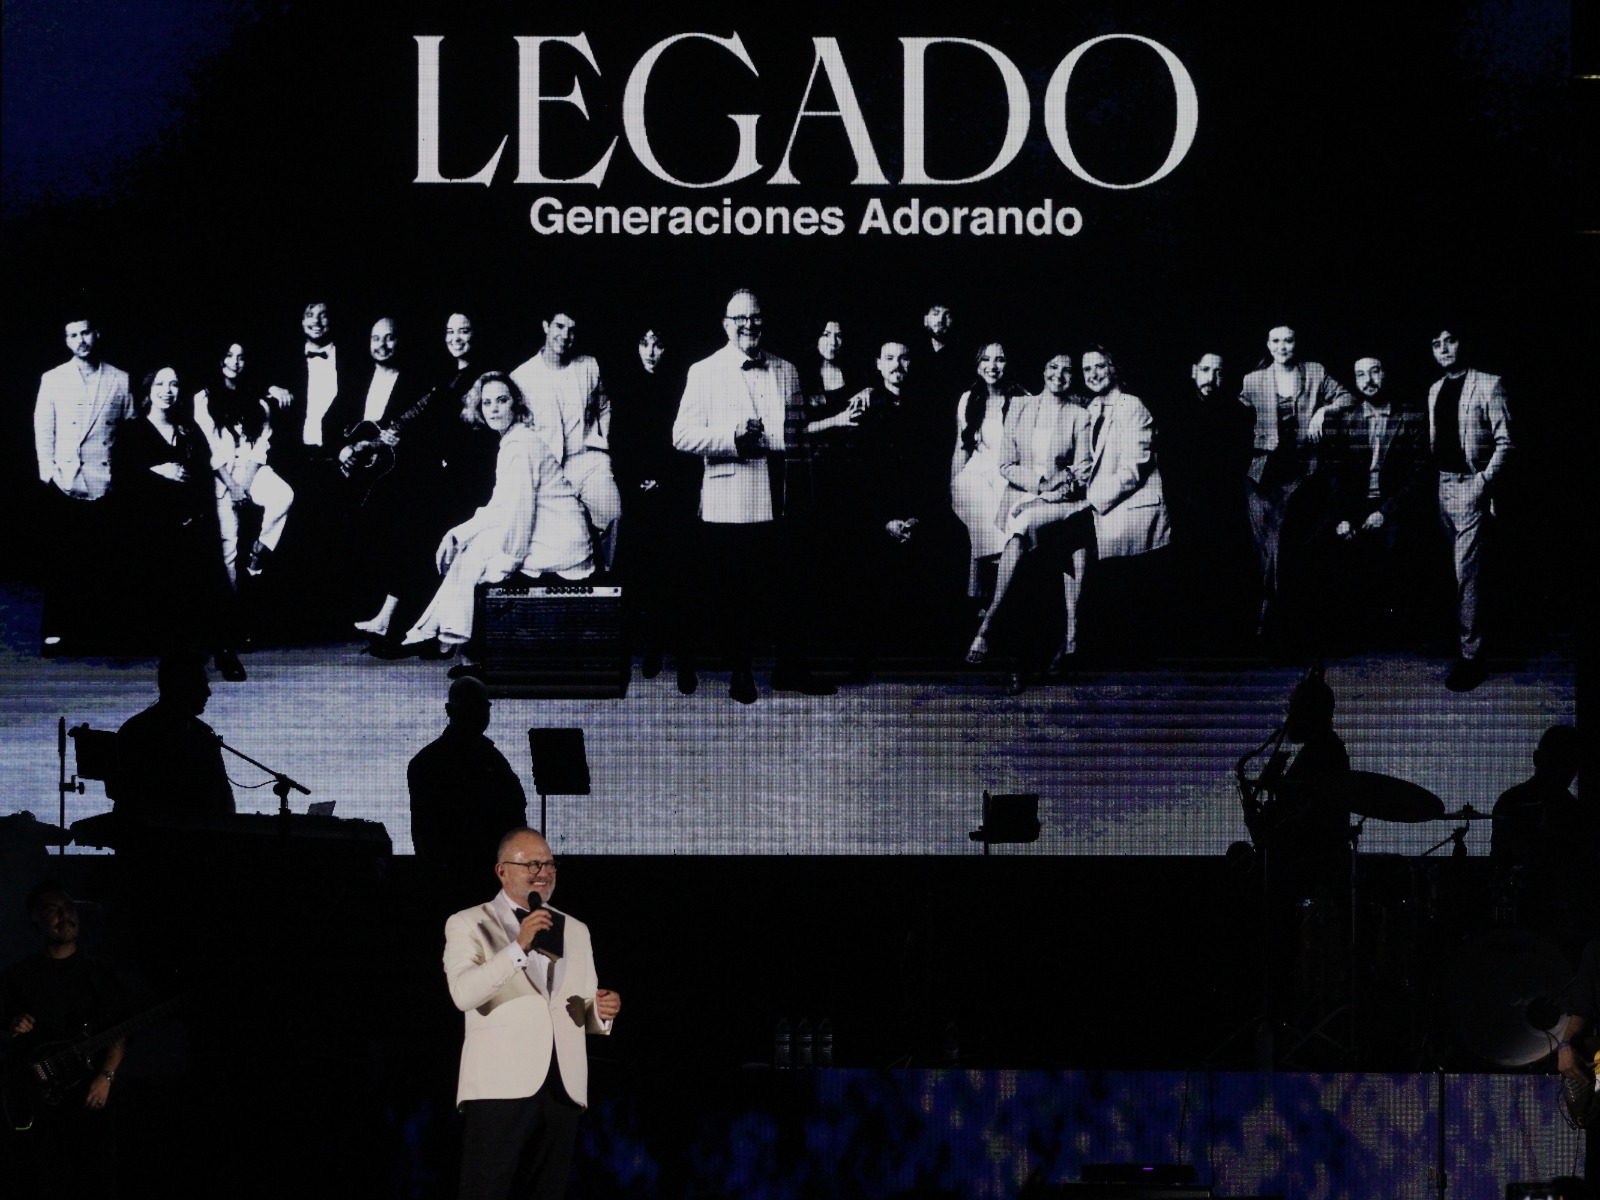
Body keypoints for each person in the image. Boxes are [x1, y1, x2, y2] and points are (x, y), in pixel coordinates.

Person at [671, 289, 834, 703]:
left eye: (755, 317)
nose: (749, 325)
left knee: (792, 584)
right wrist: (732, 439)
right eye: (740, 318)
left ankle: (790, 669)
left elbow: (795, 435)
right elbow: (681, 436)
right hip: (732, 495)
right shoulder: (703, 371)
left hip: (784, 493)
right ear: (726, 324)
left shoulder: (788, 370)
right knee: (738, 591)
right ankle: (740, 673)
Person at [444, 827, 620, 1200]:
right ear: (502, 871)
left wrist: (600, 1012)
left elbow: (577, 1009)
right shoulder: (469, 922)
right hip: (500, 1086)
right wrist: (518, 946)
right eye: (532, 864)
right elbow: (463, 994)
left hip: (561, 1087)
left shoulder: (576, 930)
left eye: (549, 864)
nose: (543, 872)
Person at [398, 373, 593, 658]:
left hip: (560, 543)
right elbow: (501, 506)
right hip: (549, 533)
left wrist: (507, 562)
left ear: (516, 404)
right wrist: (456, 534)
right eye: (487, 403)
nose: (494, 409)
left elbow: (519, 514)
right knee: (470, 549)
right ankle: (445, 636)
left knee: (476, 557)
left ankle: (446, 637)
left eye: (502, 400)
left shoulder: (520, 446)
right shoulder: (514, 441)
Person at [356, 312, 500, 645]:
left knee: (424, 530)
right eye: (450, 332)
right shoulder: (445, 376)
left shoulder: (484, 377)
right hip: (445, 473)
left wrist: (440, 454)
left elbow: (476, 433)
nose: (456, 338)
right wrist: (396, 436)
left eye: (463, 331)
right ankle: (394, 619)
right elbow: (425, 420)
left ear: (475, 334)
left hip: (473, 477)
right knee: (406, 522)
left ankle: (431, 630)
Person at [966, 354, 1093, 691]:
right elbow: (1006, 464)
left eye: (1067, 370)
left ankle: (987, 629)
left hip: (1062, 503)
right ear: (1043, 370)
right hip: (1021, 496)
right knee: (1020, 532)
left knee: (1023, 530)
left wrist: (1056, 490)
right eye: (1053, 367)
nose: (1059, 375)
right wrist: (1040, 484)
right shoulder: (1020, 407)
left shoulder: (1079, 415)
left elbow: (1082, 469)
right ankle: (1014, 652)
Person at [110, 367, 244, 680]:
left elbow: (203, 474)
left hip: (190, 522)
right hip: (153, 528)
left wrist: (199, 517)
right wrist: (156, 473)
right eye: (160, 384)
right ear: (148, 389)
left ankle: (224, 650)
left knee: (211, 575)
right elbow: (122, 480)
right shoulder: (133, 431)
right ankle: (178, 653)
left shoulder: (188, 428)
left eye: (173, 384)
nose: (167, 391)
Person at [844, 341, 969, 675]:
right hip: (876, 511)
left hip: (919, 509)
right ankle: (864, 655)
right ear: (878, 364)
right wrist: (885, 520)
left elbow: (933, 467)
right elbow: (860, 473)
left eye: (904, 358)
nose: (897, 365)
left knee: (952, 540)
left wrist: (916, 517)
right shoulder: (865, 405)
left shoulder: (927, 407)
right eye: (889, 359)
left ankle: (936, 653)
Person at [1, 882, 127, 1199]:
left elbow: (119, 1029)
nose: (65, 915)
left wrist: (106, 1076)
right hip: (40, 1111)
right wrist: (12, 1026)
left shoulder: (98, 974)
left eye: (69, 908)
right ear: (36, 921)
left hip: (89, 1103)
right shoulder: (17, 976)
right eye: (53, 910)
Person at [1240, 325, 1352, 641]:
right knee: (1267, 545)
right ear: (1268, 345)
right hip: (1262, 474)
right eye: (1276, 341)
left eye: (1288, 340)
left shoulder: (1315, 372)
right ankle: (1271, 614)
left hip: (1302, 472)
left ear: (1296, 343)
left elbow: (1347, 397)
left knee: (1284, 543)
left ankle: (1273, 616)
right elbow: (1236, 417)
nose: (1282, 346)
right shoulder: (1252, 380)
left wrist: (1324, 410)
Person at [32, 314, 136, 654]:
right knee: (63, 559)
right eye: (73, 335)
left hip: (106, 479)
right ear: (66, 341)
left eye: (86, 333)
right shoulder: (53, 379)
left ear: (97, 334)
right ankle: (55, 630)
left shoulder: (120, 378)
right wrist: (48, 472)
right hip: (66, 479)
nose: (81, 340)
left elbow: (130, 431)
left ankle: (103, 631)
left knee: (105, 559)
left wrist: (123, 476)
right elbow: (43, 427)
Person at [1316, 356, 1431, 646]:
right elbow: (1334, 474)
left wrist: (1385, 511)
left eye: (1374, 371)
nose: (1368, 380)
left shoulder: (1411, 416)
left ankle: (1399, 634)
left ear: (1386, 374)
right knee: (1328, 547)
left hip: (1394, 505)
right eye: (1360, 374)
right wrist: (1341, 517)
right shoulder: (1346, 419)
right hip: (1355, 506)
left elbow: (1420, 474)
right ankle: (1350, 635)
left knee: (1398, 547)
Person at [608, 324, 699, 686]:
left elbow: (685, 440)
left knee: (677, 573)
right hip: (638, 494)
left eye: (657, 344)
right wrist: (637, 482)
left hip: (675, 491)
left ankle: (684, 657)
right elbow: (619, 442)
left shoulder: (681, 385)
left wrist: (664, 479)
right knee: (641, 571)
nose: (650, 351)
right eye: (644, 343)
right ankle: (651, 648)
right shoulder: (626, 387)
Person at [1426, 327, 1512, 692]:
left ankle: (1471, 658)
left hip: (1470, 485)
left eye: (1450, 340)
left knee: (1466, 574)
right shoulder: (1434, 389)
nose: (1444, 349)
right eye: (1436, 344)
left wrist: (1483, 482)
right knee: (1455, 573)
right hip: (1442, 485)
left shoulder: (1490, 384)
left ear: (1463, 343)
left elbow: (1506, 442)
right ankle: (1464, 644)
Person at [1153, 352, 1256, 650]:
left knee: (1226, 567)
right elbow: (1168, 462)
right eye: (1206, 370)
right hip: (1185, 503)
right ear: (1194, 371)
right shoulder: (1176, 411)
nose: (1212, 378)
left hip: (1225, 503)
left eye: (1219, 372)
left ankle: (1225, 641)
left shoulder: (1238, 412)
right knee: (1188, 568)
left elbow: (1239, 462)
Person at [509, 308, 621, 572]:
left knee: (613, 514)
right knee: (559, 535)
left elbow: (604, 405)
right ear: (545, 326)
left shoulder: (589, 365)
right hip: (550, 468)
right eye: (559, 327)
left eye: (571, 330)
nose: (565, 336)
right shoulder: (521, 376)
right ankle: (577, 580)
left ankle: (608, 580)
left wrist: (602, 443)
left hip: (589, 459)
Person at [1078, 346, 1171, 661]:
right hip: (1106, 506)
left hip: (1133, 506)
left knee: (1129, 602)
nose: (1093, 374)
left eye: (1099, 366)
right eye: (1086, 369)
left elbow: (1133, 470)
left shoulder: (1132, 405)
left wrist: (1089, 502)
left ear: (1113, 368)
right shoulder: (1090, 408)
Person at [409, 676, 528, 890]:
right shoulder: (493, 760)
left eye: (481, 707)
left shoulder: (427, 761)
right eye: (473, 706)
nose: (478, 714)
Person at [193, 342, 295, 587]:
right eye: (229, 355)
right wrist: (233, 487)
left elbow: (261, 445)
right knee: (229, 546)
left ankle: (258, 553)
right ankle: (232, 598)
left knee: (284, 495)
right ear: (219, 359)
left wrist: (246, 484)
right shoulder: (203, 398)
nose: (234, 362)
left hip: (251, 472)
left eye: (240, 357)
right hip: (222, 479)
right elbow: (210, 449)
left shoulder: (259, 401)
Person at [1489, 725, 1594, 949]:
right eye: (1559, 762)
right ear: (1538, 759)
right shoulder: (1514, 803)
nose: (1565, 772)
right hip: (1529, 913)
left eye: (1571, 765)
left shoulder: (1513, 801)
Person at [112, 651, 235, 825]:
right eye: (200, 685)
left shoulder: (203, 734)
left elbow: (224, 793)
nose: (208, 693)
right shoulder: (138, 732)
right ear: (180, 686)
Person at [952, 342, 1029, 599]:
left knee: (1004, 510)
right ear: (977, 364)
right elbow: (961, 449)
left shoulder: (1023, 400)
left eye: (1000, 359)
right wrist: (952, 485)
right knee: (973, 493)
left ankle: (983, 592)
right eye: (986, 359)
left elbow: (1029, 455)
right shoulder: (968, 399)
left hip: (1008, 474)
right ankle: (986, 589)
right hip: (975, 473)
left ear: (1009, 364)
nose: (992, 366)